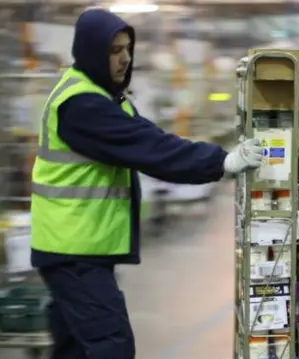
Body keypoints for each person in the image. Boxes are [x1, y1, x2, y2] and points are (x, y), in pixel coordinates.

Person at [30, 8, 263, 359]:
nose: (125, 58)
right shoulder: (82, 104)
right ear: (92, 51)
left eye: (127, 48)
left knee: (74, 349)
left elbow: (149, 139)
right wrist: (221, 162)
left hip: (76, 247)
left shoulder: (103, 95)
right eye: (114, 51)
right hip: (74, 250)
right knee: (112, 346)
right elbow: (151, 149)